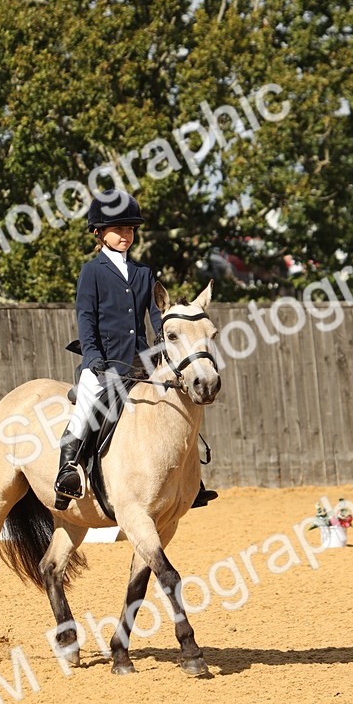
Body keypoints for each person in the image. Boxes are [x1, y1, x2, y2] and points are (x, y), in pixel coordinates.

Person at [54, 192, 217, 510]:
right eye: (119, 230)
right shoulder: (92, 272)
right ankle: (68, 472)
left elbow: (158, 320)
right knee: (87, 406)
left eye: (130, 230)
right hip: (102, 361)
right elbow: (86, 318)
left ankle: (190, 481)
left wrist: (163, 351)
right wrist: (92, 356)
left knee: (175, 407)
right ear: (99, 233)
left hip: (141, 361)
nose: (126, 235)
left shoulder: (144, 273)